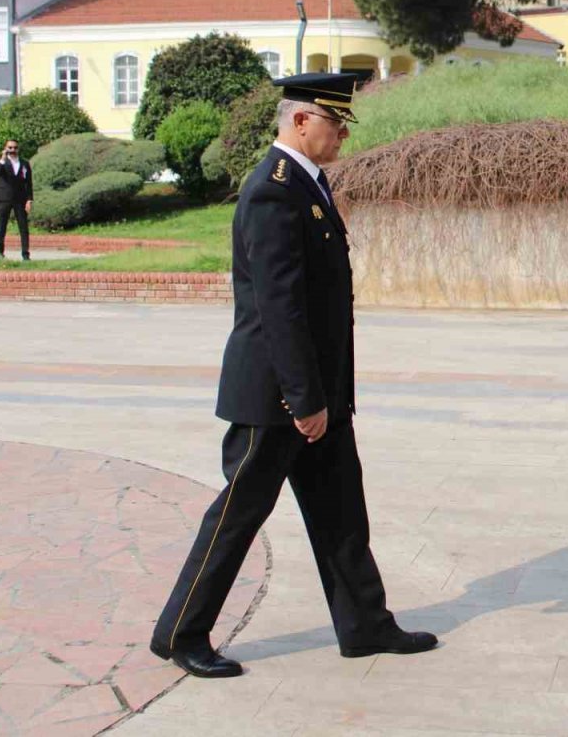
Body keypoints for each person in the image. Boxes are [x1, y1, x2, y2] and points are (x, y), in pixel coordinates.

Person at [150, 72, 437, 679]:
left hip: (319, 392)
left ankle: (365, 626)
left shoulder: (311, 183)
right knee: (238, 516)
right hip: (277, 396)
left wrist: (328, 396)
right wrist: (304, 398)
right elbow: (280, 307)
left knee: (341, 513)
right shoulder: (272, 191)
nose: (341, 136)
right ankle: (182, 633)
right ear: (301, 121)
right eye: (334, 123)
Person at [0, 140, 32, 260]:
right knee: (2, 226)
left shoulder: (24, 163)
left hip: (20, 199)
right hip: (4, 198)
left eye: (15, 148)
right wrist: (2, 158)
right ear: (5, 148)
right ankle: (0, 252)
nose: (12, 150)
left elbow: (28, 183)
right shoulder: (3, 163)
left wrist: (29, 199)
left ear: (18, 149)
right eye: (10, 147)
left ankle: (25, 254)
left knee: (23, 227)